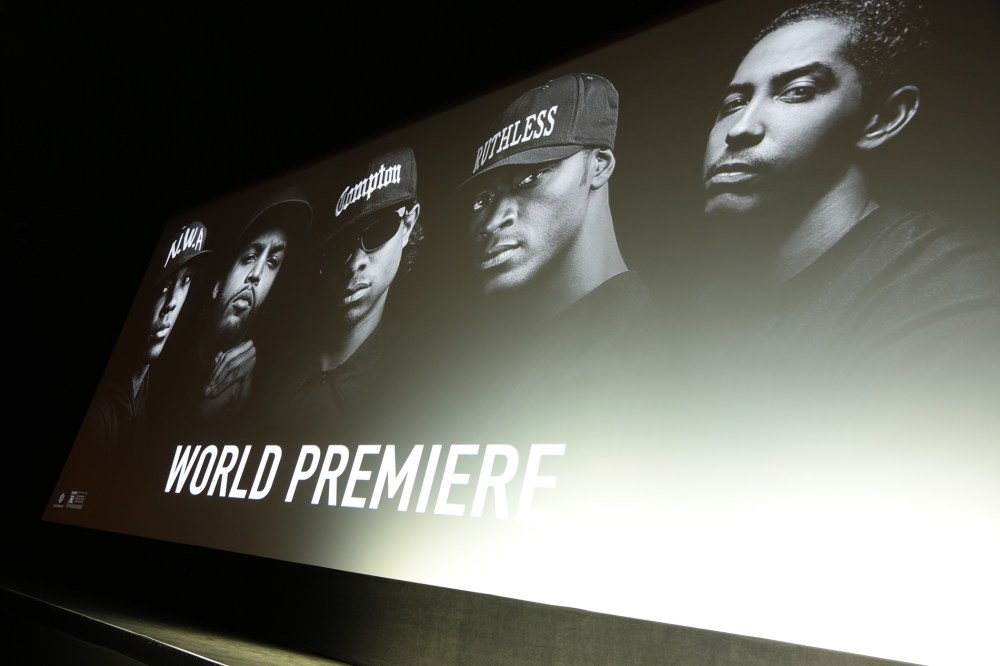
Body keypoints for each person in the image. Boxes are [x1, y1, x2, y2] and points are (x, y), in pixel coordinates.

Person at [694, 0, 1000, 407]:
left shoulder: (956, 290)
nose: (741, 129)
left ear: (883, 118)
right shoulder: (705, 310)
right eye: (733, 103)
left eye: (797, 92)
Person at [449, 72, 660, 440]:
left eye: (529, 178)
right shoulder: (505, 356)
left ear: (599, 165)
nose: (493, 219)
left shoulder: (634, 363)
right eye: (481, 199)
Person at [258, 147, 424, 441]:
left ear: (408, 224)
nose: (356, 263)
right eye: (341, 248)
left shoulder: (417, 376)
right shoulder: (267, 370)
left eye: (378, 231)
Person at [161, 186, 313, 440]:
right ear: (216, 285)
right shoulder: (163, 358)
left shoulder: (265, 382)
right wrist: (200, 415)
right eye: (250, 257)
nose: (256, 275)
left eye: (272, 262)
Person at [76, 219, 212, 452]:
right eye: (163, 287)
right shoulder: (98, 417)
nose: (172, 303)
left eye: (185, 281)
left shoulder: (142, 401)